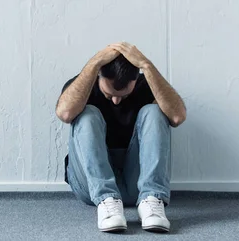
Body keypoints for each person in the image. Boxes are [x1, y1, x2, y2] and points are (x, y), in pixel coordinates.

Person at [55, 42, 186, 233]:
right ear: (99, 73)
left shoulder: (146, 83)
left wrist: (146, 65)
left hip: (137, 185)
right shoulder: (83, 84)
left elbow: (177, 117)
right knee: (86, 114)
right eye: (110, 94)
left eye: (123, 95)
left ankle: (152, 201)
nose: (116, 101)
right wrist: (94, 63)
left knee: (155, 111)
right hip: (91, 189)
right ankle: (107, 201)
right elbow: (65, 114)